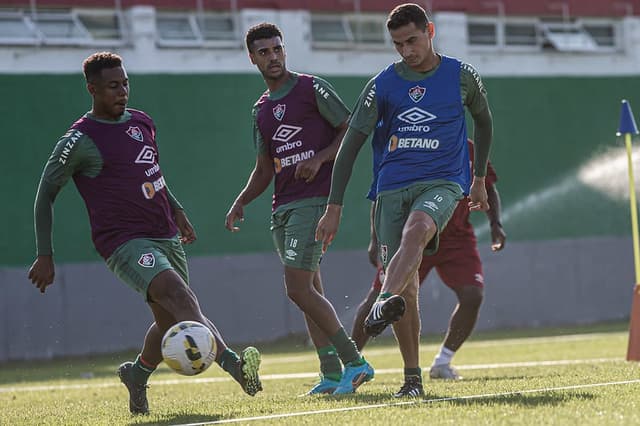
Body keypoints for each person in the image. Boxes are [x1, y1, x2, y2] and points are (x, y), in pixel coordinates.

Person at [27, 52, 262, 415]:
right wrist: (45, 253)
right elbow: (45, 194)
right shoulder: (78, 140)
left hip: (164, 231)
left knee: (171, 317)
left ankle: (137, 375)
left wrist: (177, 209)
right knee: (179, 295)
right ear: (92, 89)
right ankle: (235, 365)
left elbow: (151, 172)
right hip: (122, 240)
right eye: (112, 86)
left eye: (125, 83)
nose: (122, 92)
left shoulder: (141, 122)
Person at [315, 3, 494, 396]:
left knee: (419, 228)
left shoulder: (462, 76)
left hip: (443, 183)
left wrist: (478, 177)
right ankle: (412, 379)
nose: (406, 50)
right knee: (408, 290)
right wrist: (334, 206)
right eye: (397, 44)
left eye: (412, 40)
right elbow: (350, 147)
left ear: (429, 30)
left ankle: (382, 299)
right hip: (391, 188)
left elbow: (484, 121)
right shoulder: (382, 83)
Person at [225, 23, 373, 395]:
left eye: (277, 49)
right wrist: (242, 200)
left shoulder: (311, 87)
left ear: (284, 50)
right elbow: (263, 169)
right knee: (310, 288)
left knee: (297, 288)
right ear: (252, 58)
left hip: (315, 202)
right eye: (264, 52)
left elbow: (352, 129)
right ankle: (329, 373)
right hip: (283, 206)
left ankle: (356, 363)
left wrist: (322, 159)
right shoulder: (260, 110)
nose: (273, 57)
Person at [351, 140, 505, 397]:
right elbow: (383, 192)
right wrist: (375, 239)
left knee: (472, 294)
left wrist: (495, 224)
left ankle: (443, 361)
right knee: (379, 297)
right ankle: (349, 363)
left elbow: (489, 187)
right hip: (413, 236)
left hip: (456, 238)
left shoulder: (469, 148)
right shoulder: (411, 140)